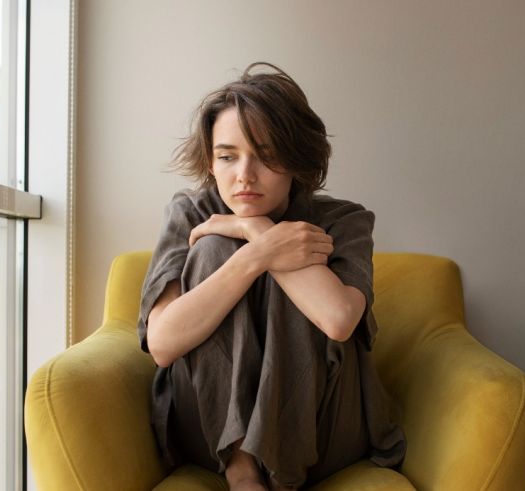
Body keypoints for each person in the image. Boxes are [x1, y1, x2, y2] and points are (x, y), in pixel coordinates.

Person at [137, 62, 405, 491]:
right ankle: (242, 468)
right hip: (209, 431)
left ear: (297, 159)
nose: (243, 175)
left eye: (266, 156)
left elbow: (337, 319)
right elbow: (163, 345)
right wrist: (253, 254)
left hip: (324, 428)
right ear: (211, 159)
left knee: (299, 272)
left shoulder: (345, 220)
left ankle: (283, 472)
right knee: (212, 249)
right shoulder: (189, 214)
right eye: (227, 156)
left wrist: (256, 230)